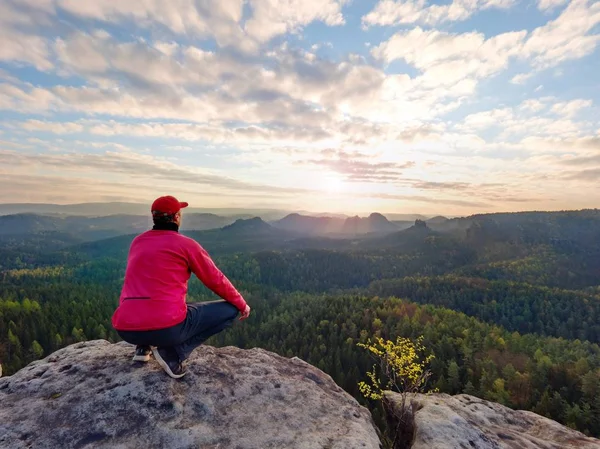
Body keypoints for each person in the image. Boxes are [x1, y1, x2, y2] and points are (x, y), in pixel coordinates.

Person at [112, 195, 251, 379]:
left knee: (155, 300)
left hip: (126, 328)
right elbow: (215, 279)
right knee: (230, 310)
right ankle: (174, 353)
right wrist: (241, 304)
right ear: (177, 217)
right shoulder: (186, 245)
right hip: (166, 328)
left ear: (154, 217)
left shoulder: (138, 242)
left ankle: (143, 347)